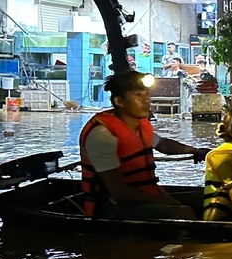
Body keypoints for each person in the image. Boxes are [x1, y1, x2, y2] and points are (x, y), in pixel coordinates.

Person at [79, 71, 209, 220]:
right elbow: (119, 192)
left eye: (147, 94)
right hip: (110, 207)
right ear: (118, 101)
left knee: (207, 197)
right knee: (182, 212)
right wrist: (169, 202)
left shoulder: (139, 125)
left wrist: (195, 150)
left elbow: (162, 144)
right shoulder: (102, 134)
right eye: (138, 95)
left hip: (145, 194)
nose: (147, 100)